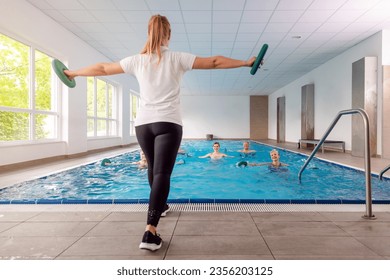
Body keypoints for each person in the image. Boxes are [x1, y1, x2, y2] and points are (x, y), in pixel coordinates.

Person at [64, 14, 256, 252]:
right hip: (168, 122)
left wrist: (73, 73)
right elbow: (215, 62)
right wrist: (246, 62)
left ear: (148, 32)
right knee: (162, 173)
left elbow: (103, 68)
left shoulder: (136, 60)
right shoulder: (177, 58)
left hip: (143, 125)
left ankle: (161, 206)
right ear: (169, 34)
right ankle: (150, 231)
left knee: (155, 169)